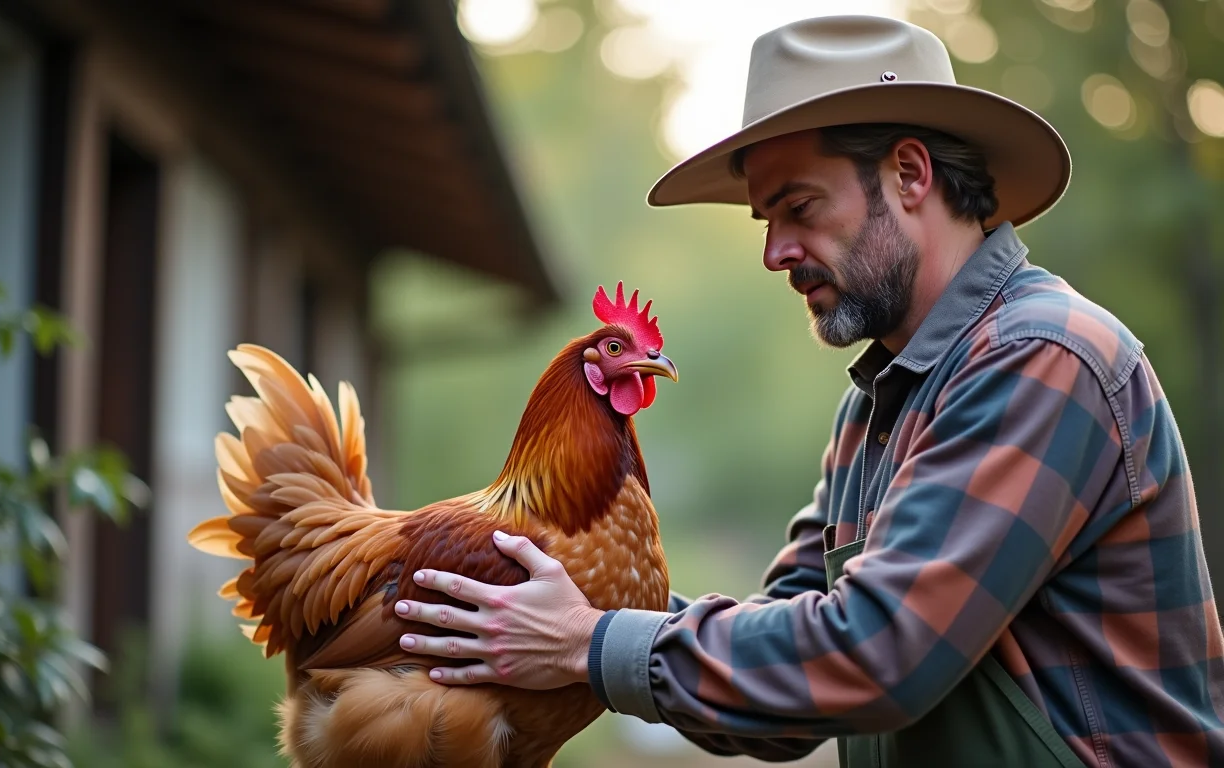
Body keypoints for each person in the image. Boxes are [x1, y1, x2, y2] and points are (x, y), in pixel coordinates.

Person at [393, 15, 1224, 766]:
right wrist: (583, 605)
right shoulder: (877, 406)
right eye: (766, 221)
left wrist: (589, 643)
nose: (775, 252)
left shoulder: (1042, 359)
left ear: (908, 174)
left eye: (798, 208)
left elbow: (872, 655)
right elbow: (787, 694)